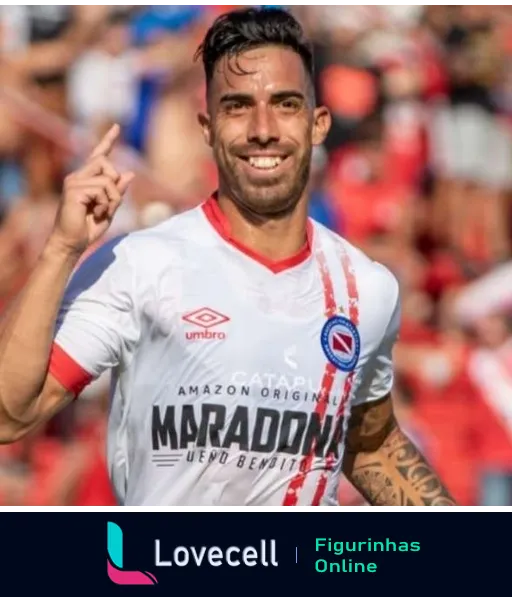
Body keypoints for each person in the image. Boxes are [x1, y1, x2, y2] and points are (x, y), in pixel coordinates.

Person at [0, 7, 455, 510]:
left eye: (285, 104)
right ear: (208, 127)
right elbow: (8, 415)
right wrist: (62, 250)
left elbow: (369, 443)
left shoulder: (365, 288)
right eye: (238, 107)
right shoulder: (140, 264)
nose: (263, 129)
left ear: (317, 123)